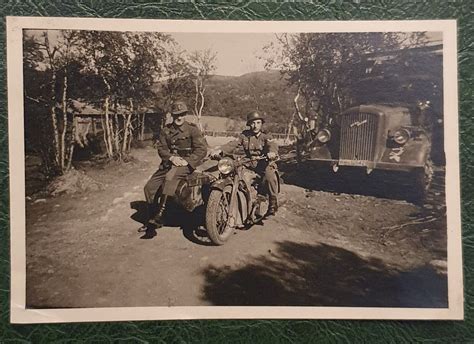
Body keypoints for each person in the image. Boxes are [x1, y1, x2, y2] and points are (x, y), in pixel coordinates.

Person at [141, 101, 207, 239]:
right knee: (149, 187)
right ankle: (151, 220)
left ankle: (160, 216)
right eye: (176, 114)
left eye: (182, 114)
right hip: (169, 164)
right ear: (172, 115)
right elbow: (161, 149)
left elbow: (202, 150)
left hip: (186, 164)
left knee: (170, 178)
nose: (179, 117)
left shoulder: (192, 129)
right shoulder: (166, 130)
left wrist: (187, 161)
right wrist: (171, 158)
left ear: (185, 115)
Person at [210, 110, 279, 216]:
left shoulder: (266, 136)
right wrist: (220, 149)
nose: (255, 126)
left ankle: (273, 203)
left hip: (264, 162)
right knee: (232, 171)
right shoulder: (244, 135)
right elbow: (233, 144)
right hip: (248, 162)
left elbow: (272, 145)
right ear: (249, 124)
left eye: (258, 123)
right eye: (253, 123)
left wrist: (272, 153)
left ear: (261, 123)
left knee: (270, 176)